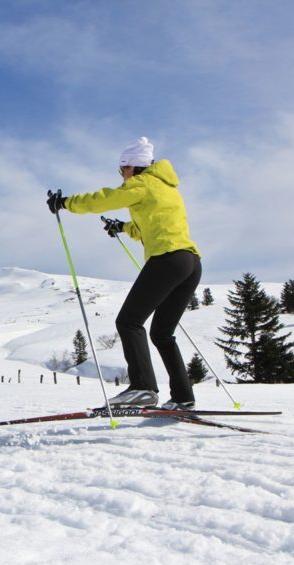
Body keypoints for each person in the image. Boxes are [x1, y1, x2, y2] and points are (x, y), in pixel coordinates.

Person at [46, 137, 201, 409]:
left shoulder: (141, 184)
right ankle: (183, 397)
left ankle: (143, 387)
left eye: (122, 170)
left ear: (132, 167)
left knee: (129, 322)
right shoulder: (166, 188)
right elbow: (145, 228)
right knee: (162, 334)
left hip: (167, 259)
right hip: (190, 263)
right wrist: (121, 227)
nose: (122, 176)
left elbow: (105, 199)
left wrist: (66, 203)